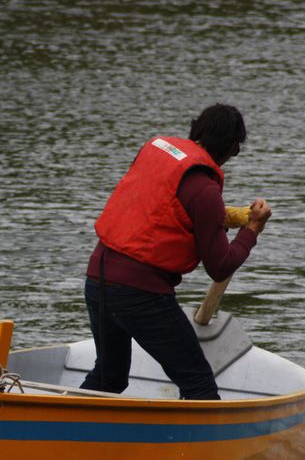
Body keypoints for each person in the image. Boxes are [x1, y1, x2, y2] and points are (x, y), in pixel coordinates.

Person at [80, 103, 271, 399]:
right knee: (199, 386)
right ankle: (200, 445)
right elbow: (220, 266)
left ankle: (50, 436)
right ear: (232, 149)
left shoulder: (155, 151)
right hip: (140, 294)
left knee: (109, 377)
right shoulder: (205, 192)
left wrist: (221, 218)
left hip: (97, 277)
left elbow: (164, 210)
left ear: (196, 131)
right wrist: (252, 230)